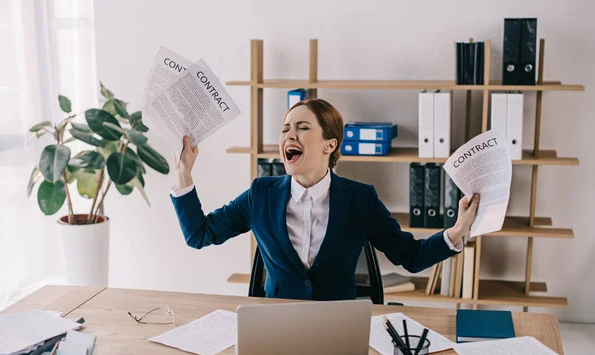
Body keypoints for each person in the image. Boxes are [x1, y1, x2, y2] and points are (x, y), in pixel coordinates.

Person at [170, 99, 479, 301]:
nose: (290, 135)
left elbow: (409, 255)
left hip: (338, 327)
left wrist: (455, 232)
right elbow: (199, 235)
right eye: (286, 129)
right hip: (276, 328)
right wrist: (184, 174)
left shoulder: (360, 199)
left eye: (303, 128)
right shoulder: (260, 194)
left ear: (330, 144)